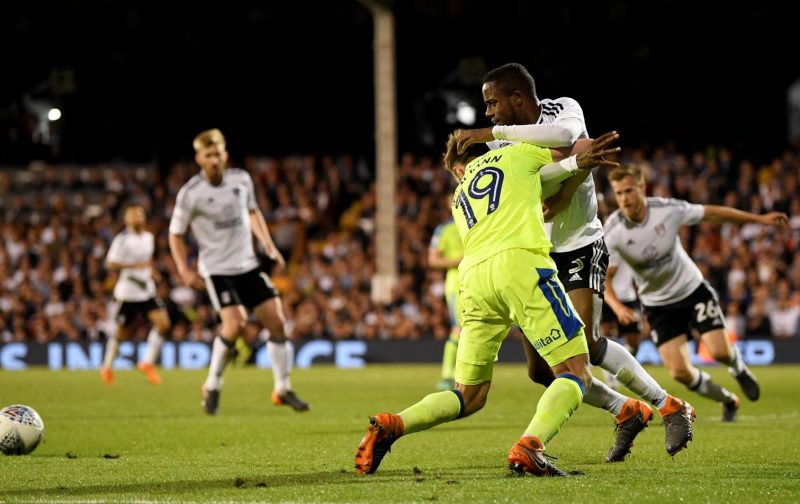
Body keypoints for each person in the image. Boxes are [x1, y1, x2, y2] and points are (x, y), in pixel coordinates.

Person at [454, 63, 693, 461]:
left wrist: (494, 136)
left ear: (517, 98)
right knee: (542, 371)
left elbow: (567, 139)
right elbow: (551, 168)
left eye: (492, 103)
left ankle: (670, 406)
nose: (488, 113)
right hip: (535, 254)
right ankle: (625, 410)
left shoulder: (562, 109)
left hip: (581, 243)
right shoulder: (498, 150)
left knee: (586, 342)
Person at [355, 129, 620, 477]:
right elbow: (568, 153)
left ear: (460, 167)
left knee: (468, 395)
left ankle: (394, 424)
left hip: (474, 280)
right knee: (575, 371)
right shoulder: (517, 155)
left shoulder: (458, 196)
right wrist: (579, 161)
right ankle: (531, 446)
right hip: (520, 266)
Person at [604, 164, 788, 421]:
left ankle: (739, 369)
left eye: (628, 191)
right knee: (680, 373)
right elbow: (606, 279)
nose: (624, 199)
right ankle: (728, 400)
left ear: (641, 188)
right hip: (658, 305)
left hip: (691, 290)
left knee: (720, 352)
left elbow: (712, 214)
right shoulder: (613, 232)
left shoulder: (667, 210)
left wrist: (759, 220)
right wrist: (618, 307)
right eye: (619, 193)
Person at [168, 128, 309, 415]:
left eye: (218, 153)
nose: (214, 159)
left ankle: (282, 388)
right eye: (208, 155)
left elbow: (253, 212)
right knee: (236, 324)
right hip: (217, 270)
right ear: (199, 158)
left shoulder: (241, 180)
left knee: (277, 321)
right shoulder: (190, 194)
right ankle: (212, 384)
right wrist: (183, 267)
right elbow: (175, 234)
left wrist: (268, 245)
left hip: (247, 264)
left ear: (225, 154)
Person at [101, 204, 171, 386]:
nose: (137, 217)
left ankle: (147, 363)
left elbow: (146, 262)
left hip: (147, 290)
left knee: (163, 324)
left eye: (140, 214)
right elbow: (110, 264)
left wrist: (151, 271)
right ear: (126, 220)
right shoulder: (122, 240)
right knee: (121, 333)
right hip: (128, 292)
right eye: (133, 215)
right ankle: (107, 366)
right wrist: (133, 267)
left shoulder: (149, 237)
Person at [427, 213, 463, 391]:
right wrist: (458, 261)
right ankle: (447, 375)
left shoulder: (480, 221)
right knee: (459, 328)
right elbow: (433, 260)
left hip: (480, 279)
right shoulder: (444, 229)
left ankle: (466, 375)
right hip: (457, 283)